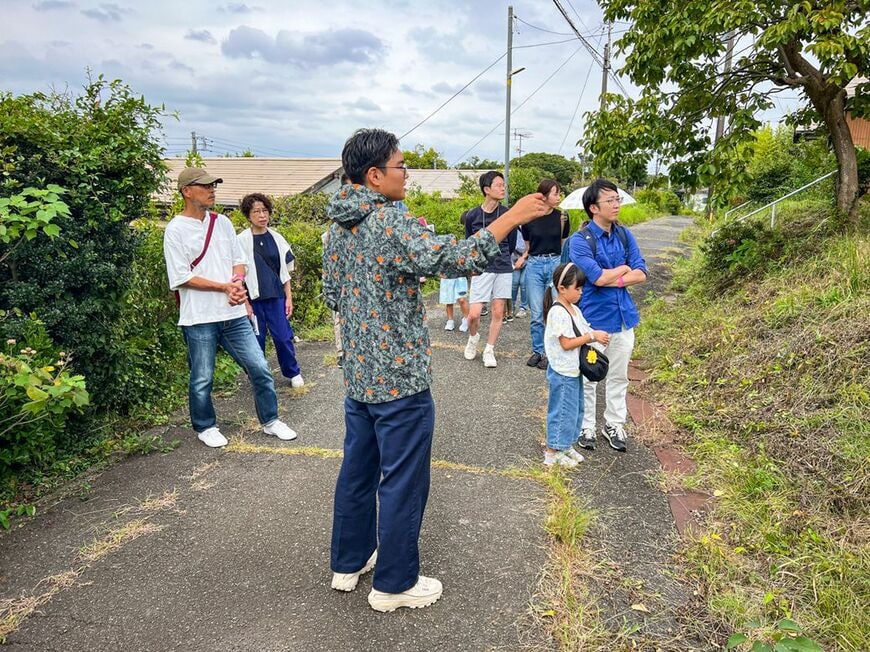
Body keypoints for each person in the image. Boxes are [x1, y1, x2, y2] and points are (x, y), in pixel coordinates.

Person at [323, 128, 548, 612]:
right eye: (401, 166)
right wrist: (510, 218)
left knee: (357, 471)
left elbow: (333, 295)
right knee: (402, 479)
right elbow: (450, 258)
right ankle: (395, 584)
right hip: (400, 378)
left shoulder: (337, 227)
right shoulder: (389, 220)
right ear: (375, 175)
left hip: (359, 375)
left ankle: (349, 561)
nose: (406, 174)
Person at [163, 167, 298, 448]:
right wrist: (223, 287)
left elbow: (240, 261)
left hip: (234, 313)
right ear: (187, 191)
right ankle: (205, 426)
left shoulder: (222, 222)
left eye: (213, 185)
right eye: (205, 186)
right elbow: (180, 277)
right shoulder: (175, 229)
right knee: (202, 377)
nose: (212, 190)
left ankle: (271, 420)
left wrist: (236, 282)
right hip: (199, 317)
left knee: (259, 367)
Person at [568, 178, 647, 452]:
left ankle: (613, 424)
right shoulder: (579, 241)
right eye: (610, 200)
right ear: (593, 208)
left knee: (619, 376)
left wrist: (618, 278)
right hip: (593, 321)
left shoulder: (625, 235)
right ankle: (586, 425)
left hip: (623, 318)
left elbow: (641, 272)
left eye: (617, 199)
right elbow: (597, 278)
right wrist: (623, 269)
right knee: (589, 376)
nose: (616, 205)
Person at [542, 262, 610, 467]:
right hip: (562, 371)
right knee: (562, 411)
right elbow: (566, 343)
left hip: (573, 369)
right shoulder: (558, 312)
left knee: (574, 410)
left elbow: (582, 331)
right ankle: (552, 452)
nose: (580, 292)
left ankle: (565, 445)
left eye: (581, 288)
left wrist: (596, 336)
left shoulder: (573, 309)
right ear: (562, 288)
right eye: (577, 288)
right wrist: (592, 336)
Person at [237, 193, 304, 388]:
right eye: (256, 212)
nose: (262, 215)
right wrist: (245, 303)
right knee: (256, 341)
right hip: (253, 299)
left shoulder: (277, 238)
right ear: (248, 215)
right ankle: (258, 377)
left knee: (283, 337)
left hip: (276, 297)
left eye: (265, 211)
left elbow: (285, 272)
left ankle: (293, 372)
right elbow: (237, 274)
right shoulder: (240, 241)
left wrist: (288, 298)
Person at [462, 171, 516, 368]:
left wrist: (505, 258)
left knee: (498, 311)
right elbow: (469, 242)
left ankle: (489, 349)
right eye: (499, 185)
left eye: (503, 184)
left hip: (503, 266)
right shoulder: (472, 215)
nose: (503, 188)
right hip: (481, 267)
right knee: (474, 314)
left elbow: (511, 242)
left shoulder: (507, 213)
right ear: (486, 189)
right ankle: (473, 338)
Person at [522, 179, 570, 371]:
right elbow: (527, 245)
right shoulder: (529, 218)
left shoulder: (562, 217)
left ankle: (553, 352)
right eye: (555, 193)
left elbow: (563, 243)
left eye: (559, 193)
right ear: (544, 195)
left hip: (554, 263)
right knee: (536, 313)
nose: (558, 197)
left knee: (554, 310)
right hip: (534, 264)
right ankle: (538, 351)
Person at [510, 229, 529, 320]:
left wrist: (523, 258)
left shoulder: (529, 226)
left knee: (523, 282)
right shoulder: (512, 228)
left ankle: (523, 307)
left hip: (528, 258)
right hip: (514, 258)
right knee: (514, 282)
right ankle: (511, 306)